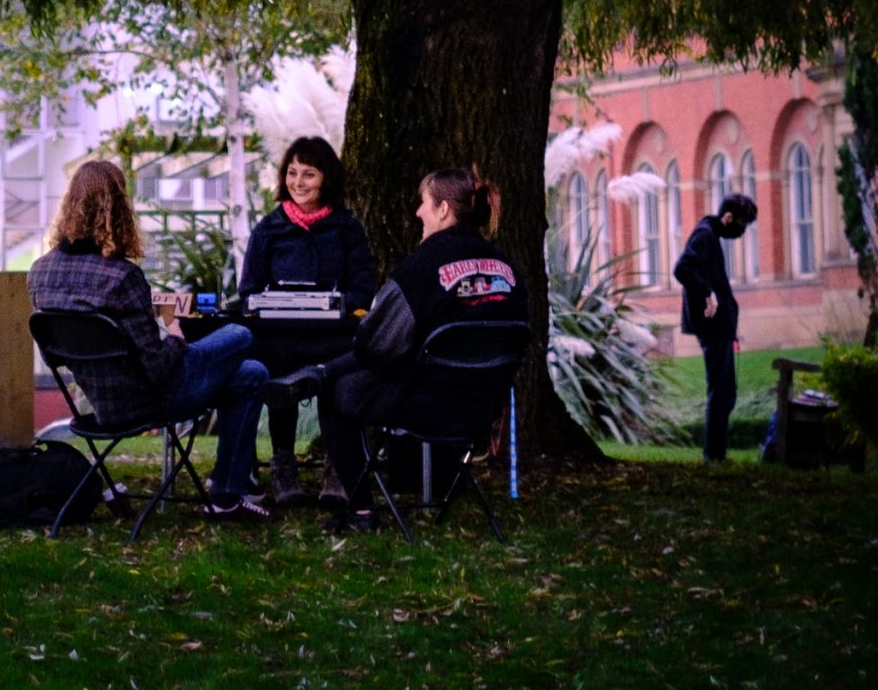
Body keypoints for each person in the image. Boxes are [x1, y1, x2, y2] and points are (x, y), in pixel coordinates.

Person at [285, 165, 523, 535]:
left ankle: (361, 512)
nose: (417, 213)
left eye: (423, 203)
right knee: (342, 375)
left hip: (425, 406)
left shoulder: (423, 265)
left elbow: (374, 346)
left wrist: (332, 368)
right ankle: (323, 372)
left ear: (443, 209)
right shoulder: (507, 268)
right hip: (481, 412)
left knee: (334, 393)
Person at [29, 158, 270, 520]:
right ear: (120, 208)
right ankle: (226, 491)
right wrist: (173, 330)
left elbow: (58, 354)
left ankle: (227, 497)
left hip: (101, 404)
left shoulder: (40, 272)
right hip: (151, 400)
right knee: (240, 334)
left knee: (250, 373)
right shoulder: (123, 276)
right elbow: (157, 367)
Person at [238, 134, 375, 505]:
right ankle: (283, 469)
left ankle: (337, 467)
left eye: (309, 174)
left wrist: (336, 304)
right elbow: (248, 289)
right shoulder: (269, 228)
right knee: (279, 376)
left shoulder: (347, 228)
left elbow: (364, 287)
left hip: (333, 335)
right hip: (280, 335)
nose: (298, 182)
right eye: (293, 173)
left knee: (339, 375)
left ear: (326, 179)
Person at [672, 190, 760, 463]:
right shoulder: (705, 236)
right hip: (712, 328)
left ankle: (716, 454)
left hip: (720, 327)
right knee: (721, 391)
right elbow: (682, 269)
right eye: (742, 225)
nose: (742, 232)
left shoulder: (710, 234)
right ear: (729, 217)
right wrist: (708, 293)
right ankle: (714, 456)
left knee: (725, 391)